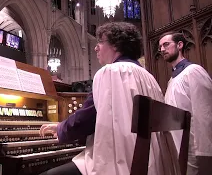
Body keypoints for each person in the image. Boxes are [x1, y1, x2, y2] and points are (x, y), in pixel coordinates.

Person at [39, 22, 177, 175]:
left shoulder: (110, 72)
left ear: (116, 45)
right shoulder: (148, 77)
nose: (96, 47)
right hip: (153, 163)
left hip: (121, 163)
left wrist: (61, 128)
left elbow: (86, 119)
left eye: (100, 42)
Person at [159, 32, 212, 175]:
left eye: (166, 44)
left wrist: (204, 151)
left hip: (194, 147)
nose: (162, 49)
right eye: (160, 47)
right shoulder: (172, 79)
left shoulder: (193, 71)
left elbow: (204, 112)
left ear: (180, 45)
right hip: (177, 145)